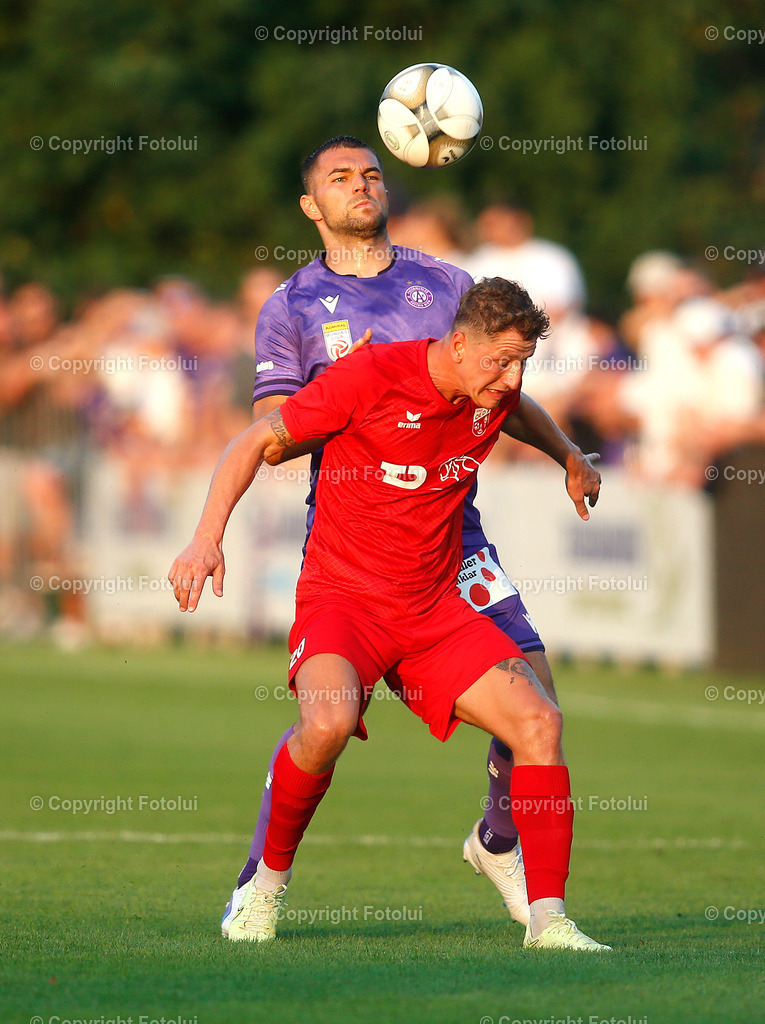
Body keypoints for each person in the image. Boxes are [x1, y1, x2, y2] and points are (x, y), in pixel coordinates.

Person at [213, 136, 600, 938]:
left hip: (452, 534)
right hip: (360, 535)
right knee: (326, 721)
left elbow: (500, 389)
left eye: (371, 173)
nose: (361, 185)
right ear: (310, 207)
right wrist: (368, 414)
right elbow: (269, 431)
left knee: (538, 701)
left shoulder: (447, 285)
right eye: (339, 178)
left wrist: (565, 451)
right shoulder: (292, 307)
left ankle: (502, 845)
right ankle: (261, 878)